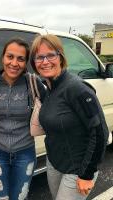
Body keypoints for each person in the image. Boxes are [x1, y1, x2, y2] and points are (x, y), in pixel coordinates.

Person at [30, 34, 108, 200]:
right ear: (34, 63)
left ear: (61, 57)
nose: (45, 61)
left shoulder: (77, 88)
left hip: (78, 168)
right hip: (55, 163)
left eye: (51, 55)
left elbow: (100, 132)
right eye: (39, 57)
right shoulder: (48, 88)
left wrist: (86, 174)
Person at [0, 38, 46, 200]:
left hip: (25, 153)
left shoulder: (33, 82)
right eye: (10, 57)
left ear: (26, 62)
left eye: (20, 59)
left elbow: (51, 108)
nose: (14, 63)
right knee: (1, 198)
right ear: (2, 58)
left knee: (20, 197)